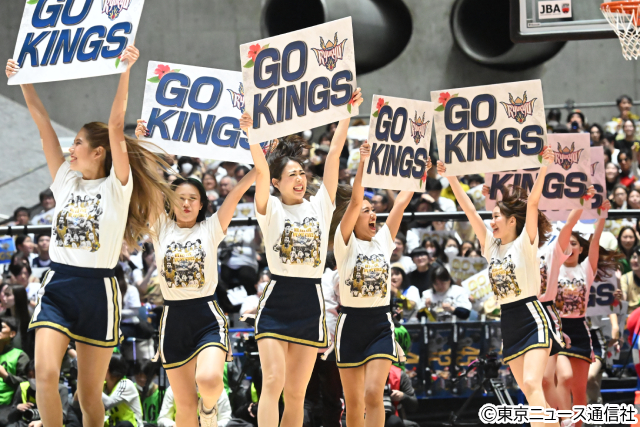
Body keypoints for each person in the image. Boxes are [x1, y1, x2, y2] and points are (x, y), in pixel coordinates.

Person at [7, 46, 175, 427]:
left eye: (79, 143)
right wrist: (23, 81)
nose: (71, 148)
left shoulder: (119, 186)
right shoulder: (66, 179)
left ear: (99, 152)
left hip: (99, 291)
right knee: (45, 375)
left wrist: (126, 70)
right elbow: (42, 125)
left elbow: (116, 125)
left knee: (88, 396)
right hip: (59, 284)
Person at [239, 87, 363, 427]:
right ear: (277, 183)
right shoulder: (271, 209)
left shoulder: (319, 205)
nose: (299, 178)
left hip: (311, 301)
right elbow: (261, 172)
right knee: (273, 384)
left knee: (296, 393)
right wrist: (252, 137)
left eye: (301, 173)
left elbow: (335, 155)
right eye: (291, 174)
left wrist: (346, 112)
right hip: (278, 299)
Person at [135, 120, 258, 427]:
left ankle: (210, 410)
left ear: (202, 203)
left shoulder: (211, 227)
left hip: (205, 314)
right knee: (183, 408)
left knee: (209, 378)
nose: (186, 202)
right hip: (173, 318)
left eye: (193, 198)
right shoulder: (161, 227)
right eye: (180, 197)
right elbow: (148, 181)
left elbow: (242, 186)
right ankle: (199, 414)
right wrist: (144, 145)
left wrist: (256, 141)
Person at [437, 147, 563, 427]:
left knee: (532, 384)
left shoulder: (524, 243)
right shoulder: (490, 247)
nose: (491, 221)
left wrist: (544, 167)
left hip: (532, 316)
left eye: (495, 216)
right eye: (491, 217)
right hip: (509, 321)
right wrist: (452, 178)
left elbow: (532, 204)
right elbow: (469, 209)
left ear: (512, 221)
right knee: (530, 394)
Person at [330, 140, 420, 427]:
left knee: (373, 394)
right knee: (354, 402)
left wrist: (420, 169)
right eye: (366, 211)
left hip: (380, 323)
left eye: (373, 210)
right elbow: (355, 201)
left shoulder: (383, 241)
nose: (373, 214)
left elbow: (403, 200)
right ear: (351, 217)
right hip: (350, 325)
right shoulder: (343, 244)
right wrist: (363, 164)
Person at [554, 209, 614, 427]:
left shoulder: (586, 269)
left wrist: (603, 217)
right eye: (566, 243)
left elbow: (596, 240)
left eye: (574, 243)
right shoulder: (554, 268)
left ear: (581, 249)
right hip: (557, 330)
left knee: (579, 390)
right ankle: (561, 421)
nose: (569, 247)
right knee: (563, 378)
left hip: (579, 330)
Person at [102, 354, 144, 427]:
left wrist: (92, 386)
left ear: (107, 369)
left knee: (124, 425)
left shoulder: (126, 384)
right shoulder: (103, 386)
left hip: (131, 425)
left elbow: (108, 403)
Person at [157, 386, 232, 427]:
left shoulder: (218, 391)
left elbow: (226, 420)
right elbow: (162, 419)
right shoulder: (172, 390)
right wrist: (174, 425)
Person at [0, 318, 29, 409]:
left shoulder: (20, 355)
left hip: (7, 408)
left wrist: (5, 375)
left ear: (12, 333)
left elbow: (27, 383)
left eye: (2, 327)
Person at [133, 360, 162, 425]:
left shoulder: (161, 394)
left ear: (154, 375)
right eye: (138, 377)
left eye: (146, 377)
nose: (142, 379)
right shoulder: (129, 390)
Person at [621, 246, 640, 313]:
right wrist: (617, 281)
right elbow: (623, 298)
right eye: (634, 257)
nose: (636, 260)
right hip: (631, 315)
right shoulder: (625, 278)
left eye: (638, 258)